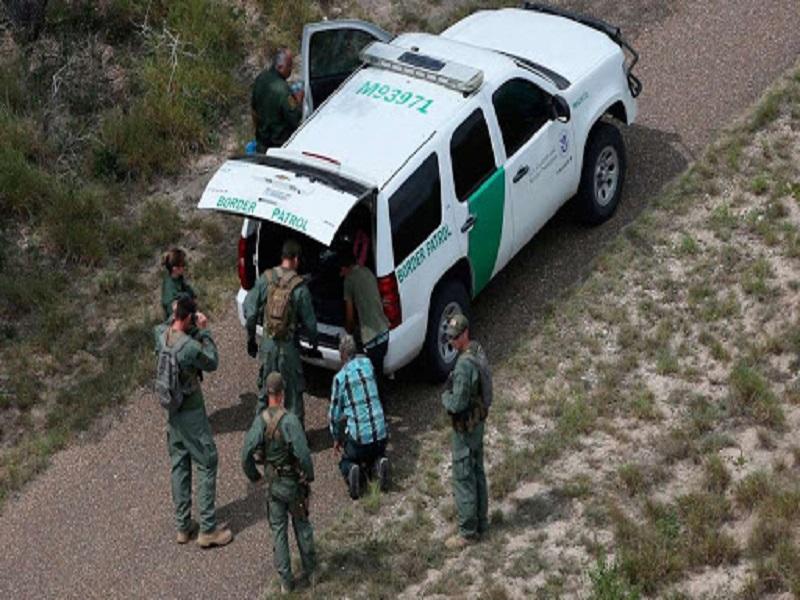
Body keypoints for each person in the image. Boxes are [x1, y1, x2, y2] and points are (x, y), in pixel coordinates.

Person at [154, 296, 232, 548]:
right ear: (189, 318)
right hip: (191, 413)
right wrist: (206, 331)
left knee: (179, 465)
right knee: (207, 461)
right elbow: (212, 361)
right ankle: (208, 528)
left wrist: (178, 314)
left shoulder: (161, 335)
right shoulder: (188, 348)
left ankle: (183, 525)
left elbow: (165, 324)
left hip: (173, 415)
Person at [242, 372, 316, 594]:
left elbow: (245, 453)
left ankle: (286, 581)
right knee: (301, 525)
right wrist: (309, 475)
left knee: (278, 531)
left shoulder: (259, 422)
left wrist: (255, 476)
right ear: (282, 393)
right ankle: (311, 571)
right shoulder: (291, 421)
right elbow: (303, 454)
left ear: (268, 393)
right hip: (292, 483)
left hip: (273, 485)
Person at [244, 239, 318, 427]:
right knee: (293, 395)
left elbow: (250, 311)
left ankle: (259, 441)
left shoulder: (265, 279)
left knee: (264, 393)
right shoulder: (299, 287)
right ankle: (295, 439)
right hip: (288, 348)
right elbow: (310, 323)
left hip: (268, 346)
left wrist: (251, 338)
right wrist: (314, 344)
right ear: (295, 259)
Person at [441, 314, 491, 550]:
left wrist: (445, 397)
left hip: (465, 428)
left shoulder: (462, 366)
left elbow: (457, 403)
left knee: (463, 477)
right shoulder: (477, 351)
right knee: (478, 471)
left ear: (463, 334)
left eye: (454, 338)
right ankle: (482, 522)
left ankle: (467, 532)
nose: (451, 342)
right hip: (478, 424)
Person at [329, 334, 389, 500]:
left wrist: (336, 438)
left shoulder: (340, 379)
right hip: (381, 434)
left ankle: (351, 470)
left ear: (342, 355)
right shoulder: (368, 364)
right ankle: (379, 462)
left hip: (359, 441)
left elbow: (334, 415)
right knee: (374, 451)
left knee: (346, 459)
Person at [338, 248, 390, 388]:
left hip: (371, 339)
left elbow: (350, 315)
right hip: (384, 332)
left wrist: (348, 331)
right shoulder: (367, 271)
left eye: (340, 271)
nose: (340, 275)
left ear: (344, 268)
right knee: (378, 373)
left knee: (373, 379)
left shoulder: (349, 281)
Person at [251, 48, 304, 153]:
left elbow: (253, 110)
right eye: (289, 66)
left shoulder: (260, 79)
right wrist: (298, 100)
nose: (291, 70)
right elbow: (295, 118)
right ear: (280, 67)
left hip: (261, 145)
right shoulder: (283, 90)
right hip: (279, 148)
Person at [161, 247, 196, 321]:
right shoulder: (169, 289)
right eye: (182, 264)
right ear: (175, 268)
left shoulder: (178, 279)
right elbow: (174, 314)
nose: (184, 267)